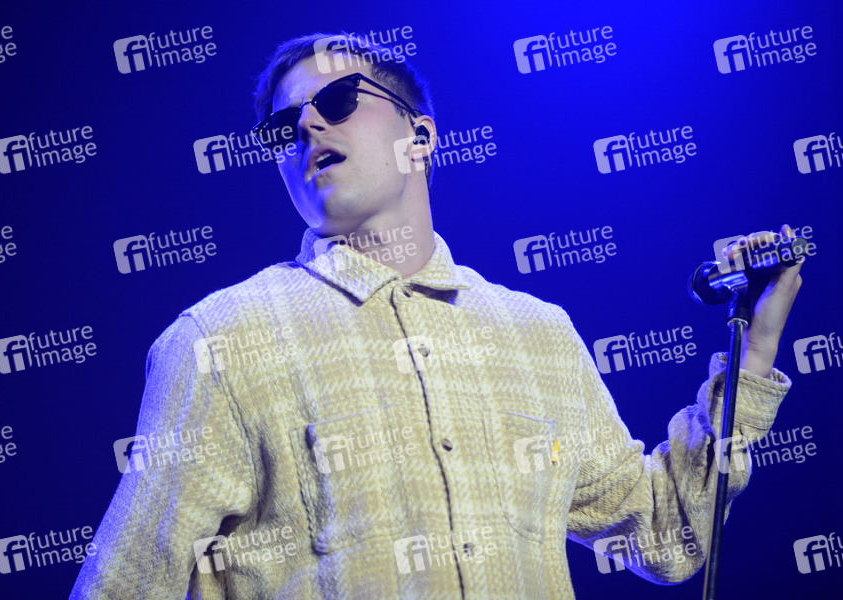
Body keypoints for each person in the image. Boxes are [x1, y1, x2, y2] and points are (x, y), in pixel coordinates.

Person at [70, 32, 803, 599]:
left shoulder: (538, 334)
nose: (307, 128)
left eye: (337, 101)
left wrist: (756, 349)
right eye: (283, 128)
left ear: (419, 137)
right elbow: (124, 583)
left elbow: (667, 538)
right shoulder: (221, 340)